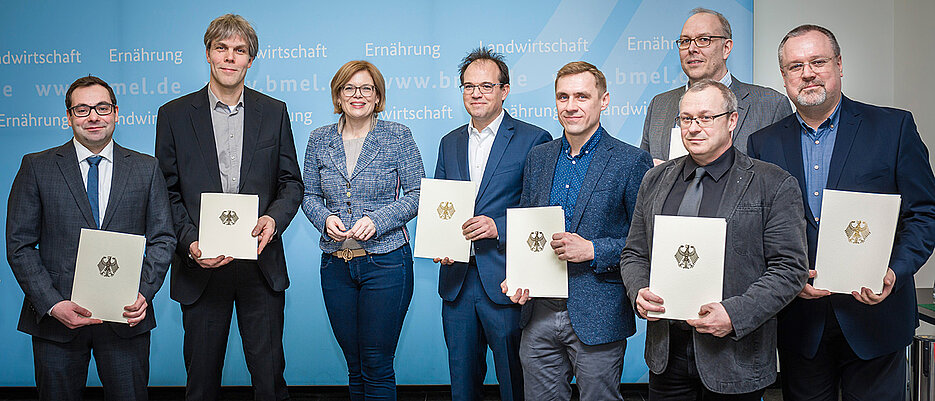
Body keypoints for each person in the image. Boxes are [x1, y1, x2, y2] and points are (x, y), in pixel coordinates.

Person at [747, 24, 935, 401]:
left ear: (839, 64)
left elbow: (925, 214)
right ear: (784, 76)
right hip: (801, 321)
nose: (808, 73)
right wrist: (785, 279)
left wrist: (894, 271)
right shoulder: (764, 142)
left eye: (818, 61)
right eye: (795, 66)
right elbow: (755, 229)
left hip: (877, 316)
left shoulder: (892, 127)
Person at [621, 79, 808, 399]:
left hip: (735, 355)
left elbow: (790, 268)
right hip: (668, 355)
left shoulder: (772, 183)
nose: (693, 127)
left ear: (732, 120)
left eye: (706, 117)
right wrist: (638, 289)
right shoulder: (654, 179)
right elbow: (634, 253)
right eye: (686, 119)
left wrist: (735, 315)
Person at [154, 14, 303, 401]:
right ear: (208, 54)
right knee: (201, 385)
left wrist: (273, 219)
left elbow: (291, 183)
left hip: (260, 264)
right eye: (222, 48)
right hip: (201, 268)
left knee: (270, 381)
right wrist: (190, 244)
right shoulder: (173, 115)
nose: (230, 58)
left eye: (240, 51)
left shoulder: (274, 111)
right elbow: (165, 192)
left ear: (250, 60)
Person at [7, 75, 176, 401]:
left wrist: (143, 292)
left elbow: (163, 238)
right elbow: (20, 245)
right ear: (68, 117)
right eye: (82, 109)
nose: (93, 117)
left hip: (126, 320)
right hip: (57, 323)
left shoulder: (146, 168)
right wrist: (53, 305)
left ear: (116, 113)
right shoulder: (37, 167)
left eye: (101, 107)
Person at [500, 61, 652, 401]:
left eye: (582, 96)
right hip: (538, 310)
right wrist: (518, 273)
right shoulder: (538, 157)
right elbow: (528, 225)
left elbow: (644, 241)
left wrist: (594, 250)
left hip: (598, 312)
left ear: (604, 100)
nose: (571, 106)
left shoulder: (630, 161)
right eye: (563, 97)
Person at [432, 47, 551, 401]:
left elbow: (541, 210)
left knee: (515, 382)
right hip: (456, 283)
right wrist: (441, 244)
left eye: (486, 86)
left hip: (505, 280)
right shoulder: (449, 142)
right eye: (469, 87)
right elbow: (443, 205)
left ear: (505, 90)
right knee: (462, 384)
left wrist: (498, 226)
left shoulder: (534, 140)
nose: (476, 94)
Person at [302, 60, 424, 400]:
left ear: (377, 96)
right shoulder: (318, 139)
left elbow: (418, 194)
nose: (358, 95)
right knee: (354, 366)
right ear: (338, 96)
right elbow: (308, 195)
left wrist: (378, 220)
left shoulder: (397, 135)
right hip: (335, 264)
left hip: (386, 264)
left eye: (366, 88)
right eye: (349, 89)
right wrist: (325, 219)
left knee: (376, 364)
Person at [641, 7, 791, 165]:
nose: (692, 49)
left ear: (726, 48)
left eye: (704, 40)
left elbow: (780, 180)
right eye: (685, 41)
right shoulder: (659, 105)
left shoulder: (771, 105)